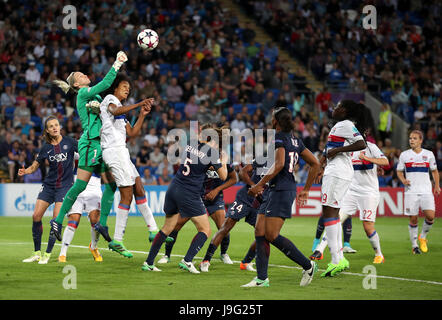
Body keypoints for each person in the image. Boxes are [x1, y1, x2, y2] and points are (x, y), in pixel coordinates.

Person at [49, 51, 128, 243]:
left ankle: (101, 223)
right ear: (77, 84)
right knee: (81, 184)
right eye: (80, 76)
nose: (84, 75)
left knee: (111, 185)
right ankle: (57, 221)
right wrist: (117, 63)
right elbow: (106, 84)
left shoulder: (95, 98)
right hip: (90, 143)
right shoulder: (84, 93)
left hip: (101, 144)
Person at [242, 107, 321, 287]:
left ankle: (308, 266)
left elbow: (278, 165)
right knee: (259, 232)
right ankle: (262, 279)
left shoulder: (279, 137)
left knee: (271, 234)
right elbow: (315, 163)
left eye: (272, 117)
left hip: (281, 190)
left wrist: (257, 185)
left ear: (276, 121)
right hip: (275, 189)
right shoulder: (294, 139)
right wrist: (306, 189)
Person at [99, 75, 170, 257]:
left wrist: (141, 115)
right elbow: (114, 111)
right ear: (115, 88)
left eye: (129, 87)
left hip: (122, 151)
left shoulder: (122, 112)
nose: (127, 89)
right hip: (114, 151)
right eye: (124, 86)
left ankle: (153, 230)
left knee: (139, 188)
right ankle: (117, 239)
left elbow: (133, 133)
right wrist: (139, 104)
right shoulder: (110, 100)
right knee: (127, 193)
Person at [142, 127, 228, 273]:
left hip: (173, 188)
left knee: (167, 228)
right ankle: (187, 260)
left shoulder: (190, 144)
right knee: (205, 230)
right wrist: (223, 161)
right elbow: (223, 176)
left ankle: (149, 262)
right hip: (189, 193)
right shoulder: (212, 153)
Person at [157, 124, 238, 266]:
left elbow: (233, 179)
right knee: (177, 225)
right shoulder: (198, 151)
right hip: (196, 195)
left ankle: (224, 254)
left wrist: (217, 190)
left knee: (223, 227)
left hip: (214, 197)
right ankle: (167, 255)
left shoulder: (222, 156)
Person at [311, 133, 389, 263]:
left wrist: (369, 160)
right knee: (336, 219)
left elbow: (385, 161)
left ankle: (379, 254)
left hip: (369, 193)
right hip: (351, 192)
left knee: (367, 226)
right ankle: (320, 249)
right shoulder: (348, 150)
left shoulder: (371, 147)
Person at [315, 100, 368, 277]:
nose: (333, 109)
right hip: (334, 171)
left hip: (338, 173)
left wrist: (338, 151)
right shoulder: (337, 126)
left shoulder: (345, 124)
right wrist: (321, 165)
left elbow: (362, 144)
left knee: (329, 213)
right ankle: (338, 259)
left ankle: (336, 260)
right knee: (333, 214)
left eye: (337, 107)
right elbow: (328, 150)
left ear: (344, 111)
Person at [20, 116, 77, 264]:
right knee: (36, 216)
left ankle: (47, 254)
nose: (54, 128)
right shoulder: (46, 147)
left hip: (65, 187)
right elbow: (35, 165)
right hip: (49, 186)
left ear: (60, 127)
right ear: (47, 130)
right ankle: (37, 252)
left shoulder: (70, 142)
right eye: (51, 126)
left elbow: (84, 151)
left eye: (56, 125)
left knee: (55, 221)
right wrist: (26, 171)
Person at [199, 160, 267, 272]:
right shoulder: (263, 160)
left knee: (264, 234)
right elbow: (242, 172)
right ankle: (206, 261)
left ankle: (246, 262)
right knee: (225, 227)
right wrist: (253, 186)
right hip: (245, 198)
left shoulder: (282, 168)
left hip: (259, 203)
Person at [396, 130, 440, 254]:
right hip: (411, 192)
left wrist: (437, 186)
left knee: (430, 216)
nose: (412, 140)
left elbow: (434, 171)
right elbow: (399, 171)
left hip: (426, 191)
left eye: (415, 138)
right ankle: (415, 246)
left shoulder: (429, 154)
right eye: (410, 138)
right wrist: (403, 180)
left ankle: (423, 236)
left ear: (421, 140)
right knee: (413, 219)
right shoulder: (404, 155)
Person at [58, 165, 103, 263]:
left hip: (94, 187)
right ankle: (63, 253)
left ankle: (93, 247)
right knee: (73, 220)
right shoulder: (75, 149)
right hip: (76, 182)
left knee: (96, 222)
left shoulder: (100, 150)